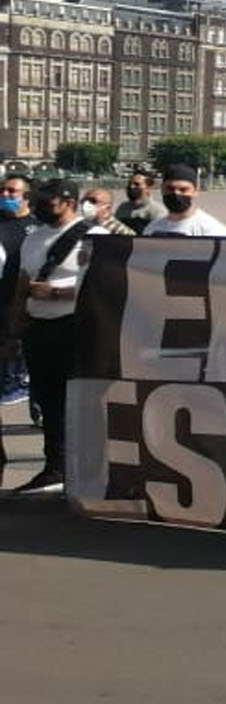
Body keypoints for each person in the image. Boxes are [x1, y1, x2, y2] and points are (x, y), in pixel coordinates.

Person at [8, 179, 107, 494]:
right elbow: (23, 284)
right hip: (39, 330)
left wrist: (56, 293)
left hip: (74, 328)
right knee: (47, 401)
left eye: (48, 201)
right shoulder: (34, 238)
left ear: (69, 202)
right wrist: (13, 328)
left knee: (78, 403)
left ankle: (87, 471)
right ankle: (55, 467)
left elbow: (102, 285)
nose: (40, 206)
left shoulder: (95, 237)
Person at [0, 173, 36, 408]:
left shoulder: (36, 227)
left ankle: (22, 386)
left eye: (12, 191)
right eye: (3, 190)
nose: (5, 195)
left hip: (23, 301)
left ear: (26, 197)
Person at [142, 164, 226, 237]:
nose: (176, 193)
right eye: (170, 189)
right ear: (162, 190)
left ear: (195, 192)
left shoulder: (212, 230)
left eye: (183, 190)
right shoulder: (152, 229)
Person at [115, 169, 164, 234]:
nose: (131, 187)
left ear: (148, 187)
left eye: (137, 184)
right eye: (129, 183)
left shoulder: (158, 211)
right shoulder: (122, 209)